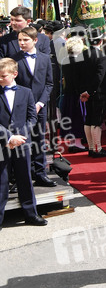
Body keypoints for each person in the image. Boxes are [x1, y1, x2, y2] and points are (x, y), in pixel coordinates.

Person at [0, 58, 48, 229]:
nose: (0, 79)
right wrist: (9, 137)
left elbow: (32, 117)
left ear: (14, 74)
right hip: (2, 144)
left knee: (25, 178)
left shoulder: (26, 92)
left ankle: (31, 213)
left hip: (22, 142)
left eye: (3, 76)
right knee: (2, 180)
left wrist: (20, 136)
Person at [12, 27, 56, 187]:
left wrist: (40, 103)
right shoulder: (14, 60)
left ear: (35, 40)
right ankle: (22, 175)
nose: (22, 43)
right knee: (22, 140)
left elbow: (49, 84)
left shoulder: (45, 59)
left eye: (25, 40)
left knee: (39, 139)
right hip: (21, 109)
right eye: (20, 40)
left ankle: (40, 173)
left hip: (40, 107)